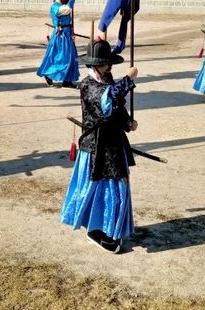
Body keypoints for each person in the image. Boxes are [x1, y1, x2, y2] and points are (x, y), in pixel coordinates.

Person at [61, 40, 138, 253]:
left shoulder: (108, 79)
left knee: (118, 187)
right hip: (95, 147)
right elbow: (107, 100)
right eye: (105, 64)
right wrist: (129, 79)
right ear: (94, 65)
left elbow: (117, 105)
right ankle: (96, 230)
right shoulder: (87, 85)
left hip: (114, 143)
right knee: (97, 189)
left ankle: (110, 228)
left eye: (110, 64)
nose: (109, 68)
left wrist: (127, 122)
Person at [37, 0, 79, 88]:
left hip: (67, 34)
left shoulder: (62, 5)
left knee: (71, 57)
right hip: (61, 36)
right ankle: (48, 74)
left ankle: (67, 80)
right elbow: (68, 9)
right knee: (62, 58)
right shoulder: (55, 7)